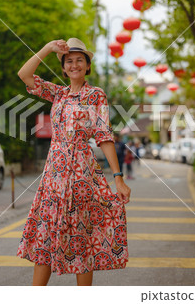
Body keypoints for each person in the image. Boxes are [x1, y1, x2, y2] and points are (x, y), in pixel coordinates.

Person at [16, 38, 131, 286]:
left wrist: (118, 177)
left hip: (82, 175)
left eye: (80, 60)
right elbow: (24, 74)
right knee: (46, 233)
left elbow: (103, 135)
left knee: (81, 236)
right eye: (69, 61)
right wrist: (47, 48)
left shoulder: (95, 95)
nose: (74, 65)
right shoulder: (58, 93)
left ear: (87, 66)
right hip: (54, 174)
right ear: (64, 67)